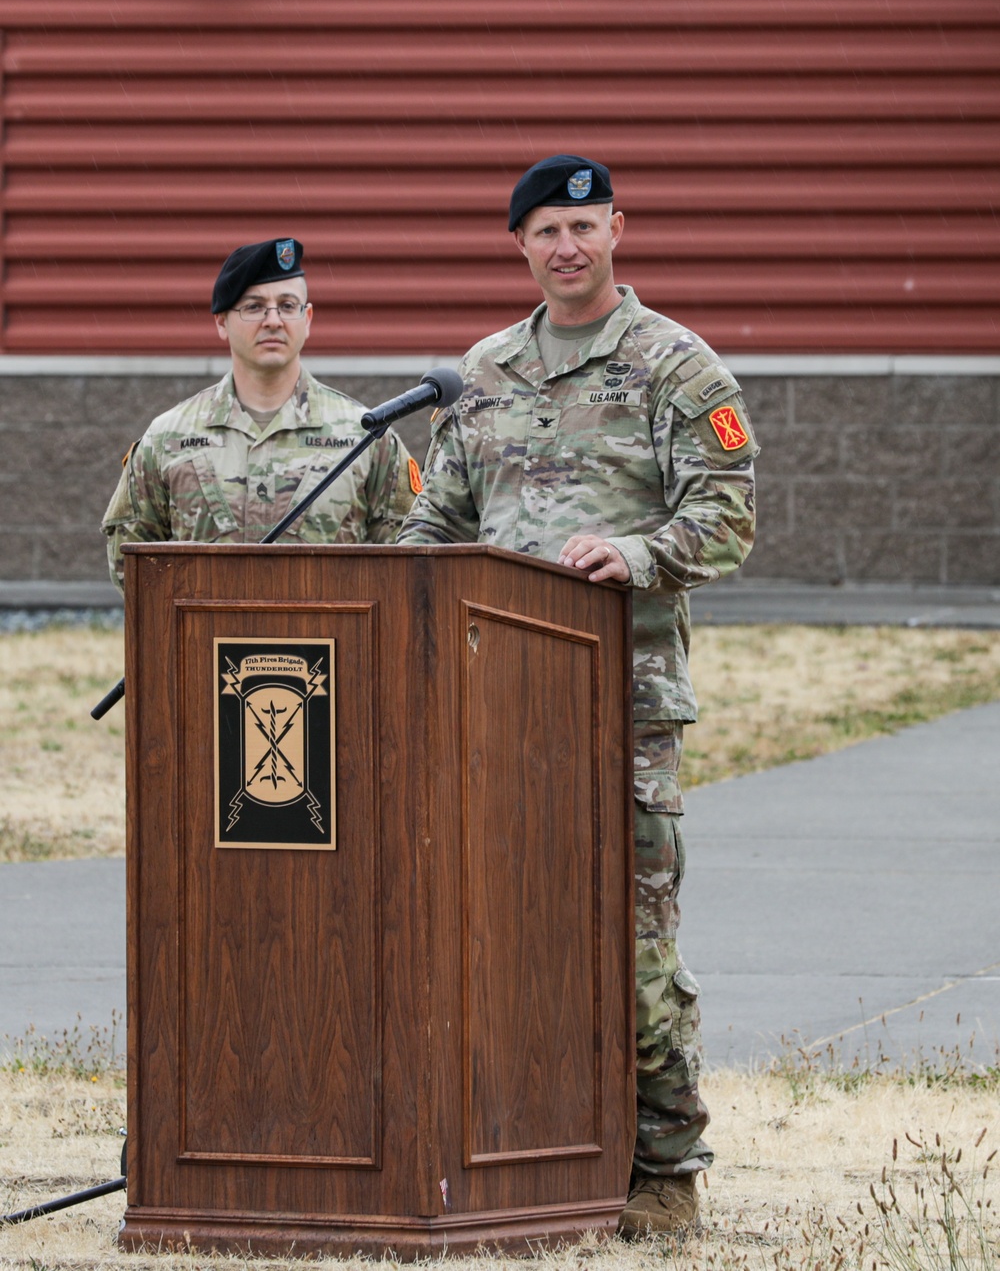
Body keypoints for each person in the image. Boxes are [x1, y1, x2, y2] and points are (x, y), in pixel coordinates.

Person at [397, 155, 759, 1238]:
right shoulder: (483, 370)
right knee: (494, 929)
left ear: (617, 231)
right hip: (488, 700)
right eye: (547, 230)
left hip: (620, 702)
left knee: (632, 938)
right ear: (520, 245)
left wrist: (639, 554)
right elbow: (437, 525)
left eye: (585, 227)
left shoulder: (675, 367)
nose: (567, 246)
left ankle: (664, 1169)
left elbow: (730, 519)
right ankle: (523, 1149)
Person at [102, 238, 421, 586]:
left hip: (332, 640)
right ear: (221, 322)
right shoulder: (167, 438)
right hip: (203, 639)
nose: (273, 321)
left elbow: (405, 563)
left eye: (287, 305)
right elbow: (130, 571)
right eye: (254, 307)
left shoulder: (365, 435)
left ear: (307, 318)